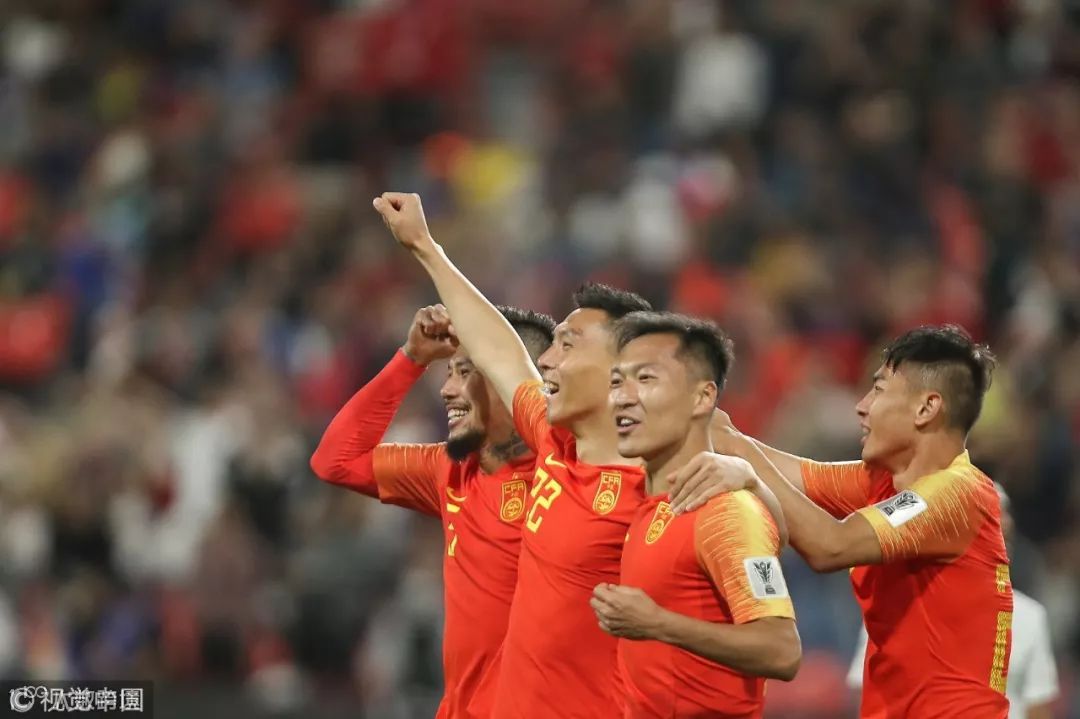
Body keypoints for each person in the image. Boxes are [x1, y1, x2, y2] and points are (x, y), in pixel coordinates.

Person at [371, 192, 784, 719]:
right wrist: (426, 247)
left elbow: (774, 599)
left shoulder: (661, 485)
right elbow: (500, 351)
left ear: (618, 368)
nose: (545, 359)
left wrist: (751, 482)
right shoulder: (552, 441)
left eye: (567, 344)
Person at [706, 325, 1013, 717]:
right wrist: (722, 431)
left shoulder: (957, 494)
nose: (862, 406)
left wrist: (737, 452)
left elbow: (831, 546)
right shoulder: (886, 482)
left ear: (926, 408)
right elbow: (794, 476)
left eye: (879, 390)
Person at [309, 303, 556, 719]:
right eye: (449, 372)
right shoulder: (449, 470)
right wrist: (411, 358)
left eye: (465, 372)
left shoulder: (567, 474)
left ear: (512, 379)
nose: (446, 389)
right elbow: (336, 461)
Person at [591, 312, 801, 718]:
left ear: (702, 398)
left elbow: (782, 649)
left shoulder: (726, 512)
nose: (622, 397)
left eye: (645, 378)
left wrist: (657, 623)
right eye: (617, 381)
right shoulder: (651, 500)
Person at [847, 482, 1059, 719]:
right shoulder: (895, 609)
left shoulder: (1030, 616)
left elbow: (1038, 707)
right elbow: (866, 691)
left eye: (1005, 538)